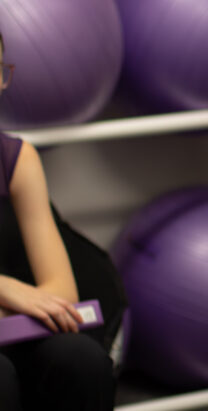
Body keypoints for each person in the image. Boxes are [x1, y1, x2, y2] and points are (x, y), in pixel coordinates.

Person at [0, 31, 115, 410]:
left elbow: (63, 295)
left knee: (81, 361)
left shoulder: (17, 159)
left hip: (12, 330)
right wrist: (6, 289)